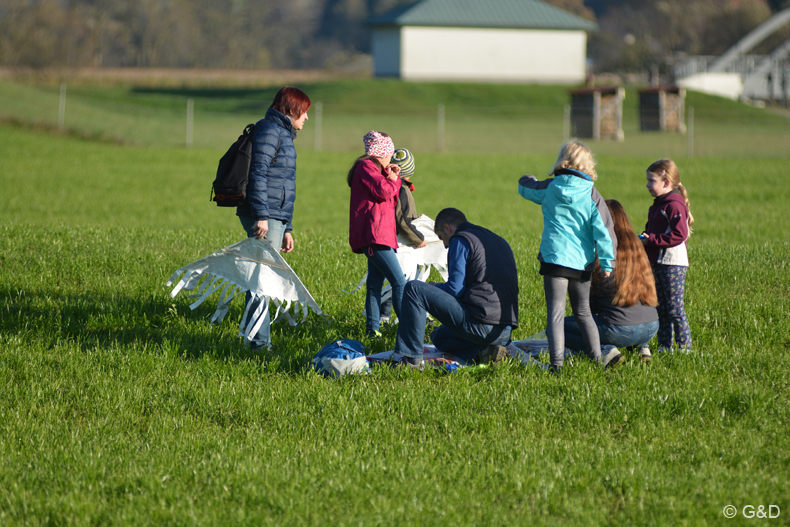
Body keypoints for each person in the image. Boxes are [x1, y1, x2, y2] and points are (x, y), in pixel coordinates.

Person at [518, 140, 617, 373]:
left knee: (555, 314)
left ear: (563, 160)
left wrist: (525, 177)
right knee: (583, 312)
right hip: (582, 263)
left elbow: (527, 188)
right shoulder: (592, 194)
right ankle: (596, 360)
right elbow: (604, 229)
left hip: (554, 260)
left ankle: (557, 365)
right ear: (588, 165)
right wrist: (606, 262)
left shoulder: (551, 187)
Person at [394, 208, 519, 369]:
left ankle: (410, 361)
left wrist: (434, 286)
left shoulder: (460, 239)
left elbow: (455, 289)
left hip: (482, 323)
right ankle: (485, 351)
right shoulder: (498, 240)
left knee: (414, 288)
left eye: (442, 238)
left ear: (448, 228)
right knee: (439, 337)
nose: (445, 246)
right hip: (505, 332)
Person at [236, 86, 311, 350]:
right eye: (304, 112)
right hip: (263, 215)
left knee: (260, 277)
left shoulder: (283, 134)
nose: (307, 118)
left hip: (274, 217)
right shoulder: (269, 130)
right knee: (262, 279)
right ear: (291, 109)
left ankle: (252, 338)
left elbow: (283, 184)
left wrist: (287, 227)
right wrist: (262, 216)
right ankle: (258, 342)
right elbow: (258, 174)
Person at [563, 200, 659, 364]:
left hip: (620, 330)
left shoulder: (599, 252)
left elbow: (589, 306)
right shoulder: (638, 249)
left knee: (560, 326)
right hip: (652, 326)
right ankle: (643, 348)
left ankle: (607, 352)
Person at [348, 131, 406, 337]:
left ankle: (372, 332)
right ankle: (407, 331)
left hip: (380, 235)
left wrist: (391, 177)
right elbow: (385, 192)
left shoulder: (374, 170)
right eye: (389, 153)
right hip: (375, 235)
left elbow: (391, 197)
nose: (391, 157)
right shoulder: (366, 168)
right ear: (382, 153)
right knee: (399, 282)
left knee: (374, 285)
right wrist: (394, 179)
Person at [640, 159, 694, 353]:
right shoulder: (657, 205)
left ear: (666, 181)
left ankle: (684, 348)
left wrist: (652, 239)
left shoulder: (674, 205)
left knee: (675, 309)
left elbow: (680, 234)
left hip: (673, 263)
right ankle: (665, 346)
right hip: (657, 261)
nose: (647, 185)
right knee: (660, 308)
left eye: (651, 180)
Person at [379, 148, 426, 323]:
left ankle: (386, 316)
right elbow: (402, 220)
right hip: (401, 243)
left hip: (394, 240)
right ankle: (385, 317)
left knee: (398, 280)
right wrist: (418, 238)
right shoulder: (402, 190)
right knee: (400, 279)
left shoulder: (395, 186)